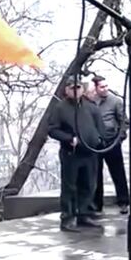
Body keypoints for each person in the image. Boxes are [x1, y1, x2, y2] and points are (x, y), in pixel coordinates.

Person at [48, 80, 99, 230]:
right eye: (73, 88)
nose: (76, 91)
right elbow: (53, 129)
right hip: (71, 153)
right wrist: (69, 139)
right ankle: (68, 217)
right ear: (67, 90)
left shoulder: (90, 107)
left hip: (90, 152)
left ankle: (84, 213)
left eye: (78, 88)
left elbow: (98, 126)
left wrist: (99, 139)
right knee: (70, 186)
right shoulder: (60, 108)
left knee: (88, 185)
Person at [86, 74, 128, 211]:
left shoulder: (115, 101)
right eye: (102, 87)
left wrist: (119, 139)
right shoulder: (91, 101)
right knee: (96, 174)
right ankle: (96, 204)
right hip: (96, 143)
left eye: (106, 86)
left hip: (112, 142)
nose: (105, 89)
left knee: (118, 173)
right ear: (96, 88)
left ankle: (123, 202)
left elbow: (124, 122)